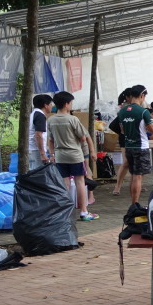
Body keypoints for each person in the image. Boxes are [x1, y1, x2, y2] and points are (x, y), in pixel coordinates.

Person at [47, 91, 99, 221]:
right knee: (80, 182)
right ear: (66, 104)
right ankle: (83, 211)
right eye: (71, 103)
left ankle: (65, 212)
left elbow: (50, 140)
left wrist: (52, 153)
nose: (71, 105)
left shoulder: (51, 120)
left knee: (65, 183)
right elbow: (82, 138)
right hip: (75, 155)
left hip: (60, 156)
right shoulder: (73, 119)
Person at [117, 85, 153, 204]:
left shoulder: (122, 111)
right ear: (141, 96)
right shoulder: (143, 111)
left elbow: (122, 130)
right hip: (141, 147)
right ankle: (135, 204)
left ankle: (134, 202)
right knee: (138, 176)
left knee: (133, 175)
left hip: (128, 146)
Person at [112, 88, 132, 196]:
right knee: (126, 163)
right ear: (128, 97)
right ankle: (117, 186)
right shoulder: (125, 108)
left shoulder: (128, 107)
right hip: (125, 138)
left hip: (129, 138)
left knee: (131, 162)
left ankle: (136, 183)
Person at [28, 94, 54, 170]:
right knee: (37, 173)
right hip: (35, 149)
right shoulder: (40, 116)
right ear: (46, 105)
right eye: (51, 104)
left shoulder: (33, 114)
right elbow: (38, 135)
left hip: (32, 149)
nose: (52, 106)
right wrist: (42, 153)